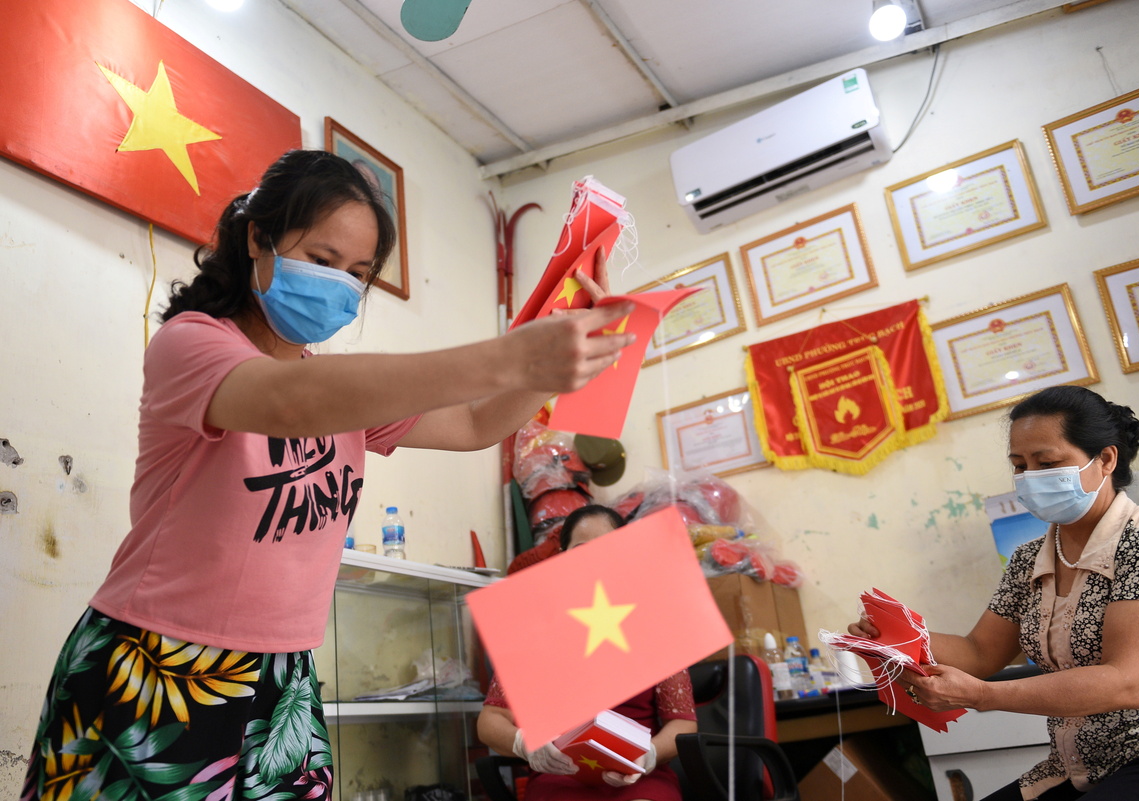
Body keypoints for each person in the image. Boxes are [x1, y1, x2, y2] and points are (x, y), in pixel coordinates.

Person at [21, 149, 636, 801]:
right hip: (158, 661)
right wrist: (506, 357)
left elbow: (475, 424)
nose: (340, 283)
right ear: (258, 239)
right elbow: (290, 401)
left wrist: (545, 364)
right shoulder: (192, 344)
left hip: (285, 675)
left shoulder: (341, 394)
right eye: (322, 258)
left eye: (358, 273)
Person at [849, 385, 1139, 800]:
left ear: (1106, 459)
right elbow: (980, 652)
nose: (1030, 477)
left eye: (1047, 463)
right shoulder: (1029, 558)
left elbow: (1129, 683)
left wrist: (982, 695)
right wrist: (897, 636)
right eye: (1019, 465)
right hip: (1080, 765)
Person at [477, 505, 698, 801]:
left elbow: (683, 722)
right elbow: (490, 720)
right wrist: (524, 744)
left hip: (639, 777)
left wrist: (650, 755)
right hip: (560, 776)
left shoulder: (655, 627)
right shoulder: (536, 632)